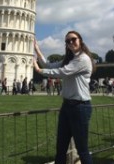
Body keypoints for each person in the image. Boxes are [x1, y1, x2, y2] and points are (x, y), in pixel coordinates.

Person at [33, 30, 94, 164]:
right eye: (68, 41)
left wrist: (39, 71)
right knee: (60, 147)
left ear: (80, 40)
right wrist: (37, 50)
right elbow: (49, 65)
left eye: (73, 39)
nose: (71, 42)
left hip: (80, 107)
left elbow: (62, 72)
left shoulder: (83, 59)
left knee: (82, 149)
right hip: (67, 106)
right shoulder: (69, 59)